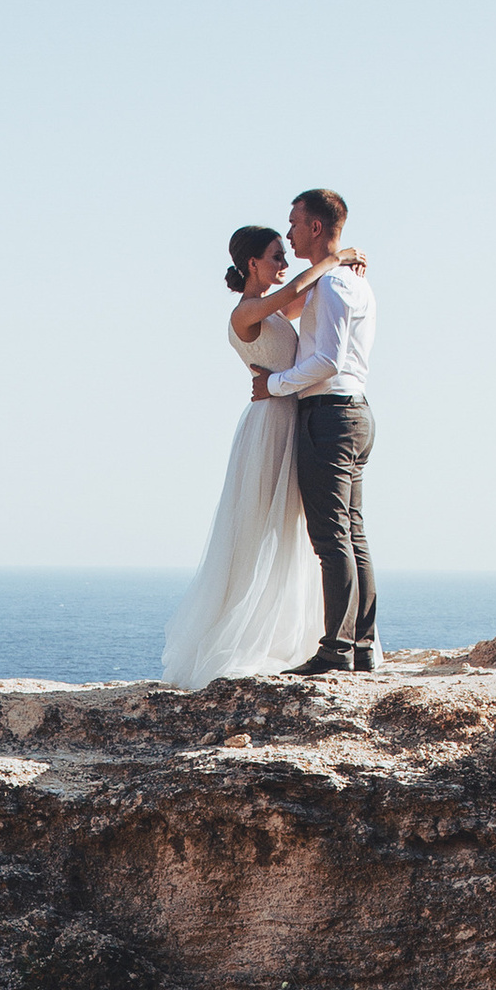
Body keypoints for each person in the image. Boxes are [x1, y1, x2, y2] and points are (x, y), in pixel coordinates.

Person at [160, 225, 339, 687]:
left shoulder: (275, 310)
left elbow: (309, 296)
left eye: (285, 255)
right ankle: (238, 635)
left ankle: (289, 633)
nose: (284, 264)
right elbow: (301, 287)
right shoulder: (245, 313)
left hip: (287, 415)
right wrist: (333, 258)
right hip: (267, 426)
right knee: (259, 526)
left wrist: (346, 270)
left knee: (288, 526)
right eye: (276, 256)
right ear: (251, 265)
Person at [252, 188, 378, 672]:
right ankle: (360, 645)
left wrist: (274, 385)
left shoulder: (332, 287)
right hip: (355, 412)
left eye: (294, 223)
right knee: (353, 532)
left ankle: (337, 650)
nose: (288, 233)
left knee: (331, 538)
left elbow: (327, 360)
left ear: (316, 228)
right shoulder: (351, 282)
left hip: (329, 414)